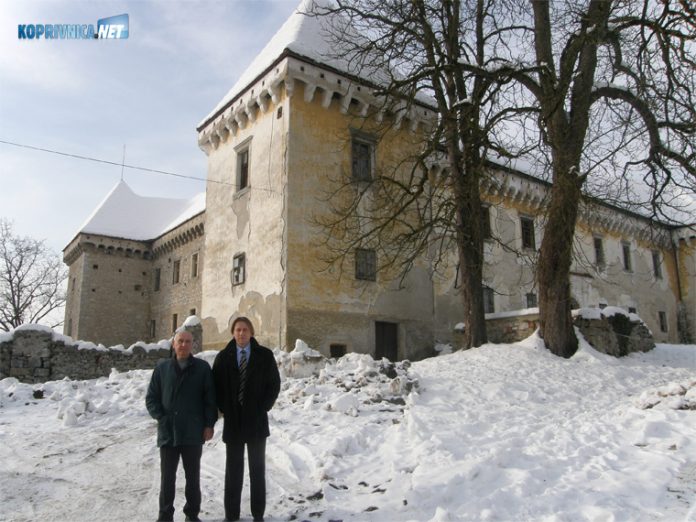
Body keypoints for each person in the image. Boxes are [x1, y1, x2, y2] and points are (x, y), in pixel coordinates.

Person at [212, 317, 281, 522]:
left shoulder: (265, 356)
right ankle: (231, 515)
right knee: (233, 471)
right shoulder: (224, 357)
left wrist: (263, 407)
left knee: (257, 469)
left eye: (245, 330)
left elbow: (274, 385)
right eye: (238, 330)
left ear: (251, 332)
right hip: (233, 422)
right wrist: (226, 409)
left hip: (257, 421)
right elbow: (216, 387)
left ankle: (258, 514)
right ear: (233, 333)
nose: (241, 333)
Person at [146, 329, 217, 522]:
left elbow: (210, 399)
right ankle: (165, 516)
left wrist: (209, 424)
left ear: (192, 344)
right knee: (167, 479)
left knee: (193, 478)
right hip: (168, 432)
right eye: (180, 341)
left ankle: (192, 515)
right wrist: (161, 417)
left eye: (187, 341)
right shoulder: (162, 368)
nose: (184, 345)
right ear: (173, 344)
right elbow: (152, 398)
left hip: (193, 432)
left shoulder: (202, 368)